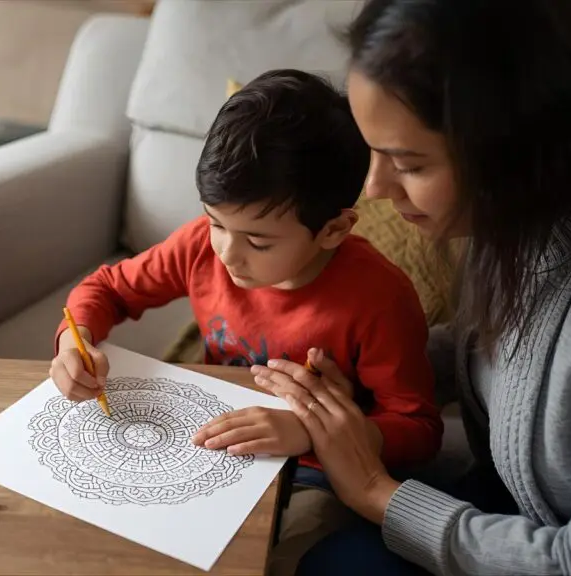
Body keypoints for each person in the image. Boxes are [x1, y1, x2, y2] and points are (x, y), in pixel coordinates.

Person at [250, 0, 571, 574]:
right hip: (515, 501)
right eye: (373, 153)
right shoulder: (528, 205)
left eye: (408, 164)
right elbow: (499, 349)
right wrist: (365, 375)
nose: (374, 188)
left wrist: (376, 494)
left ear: (513, 143)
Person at [49, 69, 443, 574]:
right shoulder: (201, 246)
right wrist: (73, 342)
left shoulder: (380, 298)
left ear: (334, 229)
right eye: (216, 223)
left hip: (313, 474)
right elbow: (106, 289)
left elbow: (420, 427)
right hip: (205, 446)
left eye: (258, 242)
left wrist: (310, 432)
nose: (228, 255)